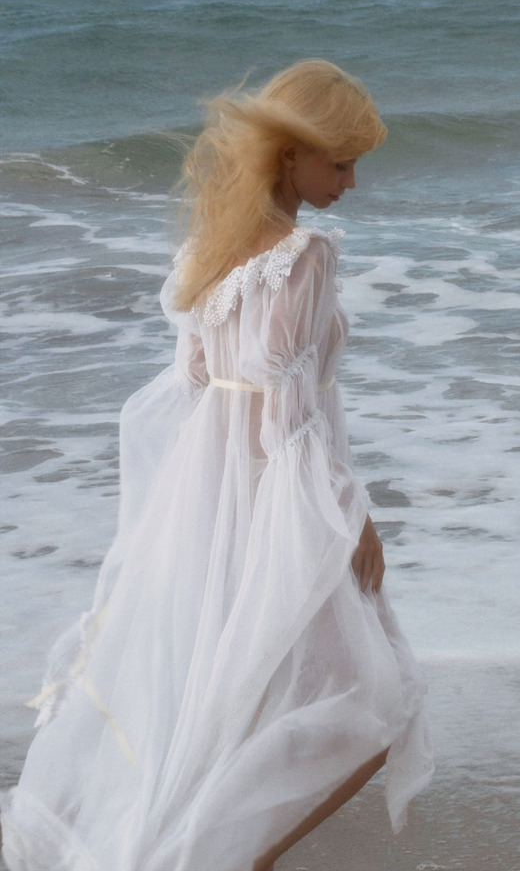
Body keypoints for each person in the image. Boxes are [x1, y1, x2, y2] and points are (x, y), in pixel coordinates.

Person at [0, 59, 434, 871]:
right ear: (290, 155)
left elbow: (196, 380)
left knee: (226, 693)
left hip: (210, 497)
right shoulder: (304, 254)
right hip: (282, 501)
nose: (350, 182)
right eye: (341, 163)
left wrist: (188, 500)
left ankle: (213, 851)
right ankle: (233, 857)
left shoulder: (212, 244)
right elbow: (292, 419)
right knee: (376, 699)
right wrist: (353, 518)